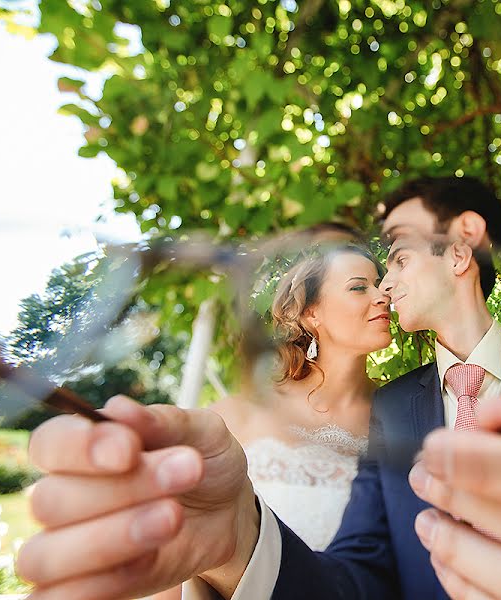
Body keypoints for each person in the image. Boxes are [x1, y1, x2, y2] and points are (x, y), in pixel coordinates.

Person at [17, 176, 501, 600]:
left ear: (463, 245)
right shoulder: (391, 409)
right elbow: (358, 581)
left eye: (398, 251)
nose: (384, 278)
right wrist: (239, 539)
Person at [151, 239, 392, 600]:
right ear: (313, 314)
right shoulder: (241, 412)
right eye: (359, 287)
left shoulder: (403, 412)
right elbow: (177, 557)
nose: (382, 296)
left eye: (380, 284)